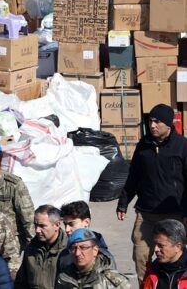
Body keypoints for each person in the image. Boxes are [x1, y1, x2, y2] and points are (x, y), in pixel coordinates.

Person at [117, 103, 187, 282]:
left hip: (175, 215)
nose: (152, 125)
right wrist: (123, 203)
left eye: (157, 122)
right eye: (150, 121)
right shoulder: (143, 146)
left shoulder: (182, 146)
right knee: (140, 257)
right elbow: (134, 176)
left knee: (175, 257)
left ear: (168, 124)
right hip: (146, 215)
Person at [54, 229, 130, 289]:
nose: (77, 253)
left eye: (83, 247)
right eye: (73, 248)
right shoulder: (63, 279)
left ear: (95, 250)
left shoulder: (112, 281)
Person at [15, 205, 68, 289]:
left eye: (42, 226)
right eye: (35, 225)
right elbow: (21, 281)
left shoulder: (68, 250)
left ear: (57, 225)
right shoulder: (31, 248)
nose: (37, 230)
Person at [58, 201, 117, 272]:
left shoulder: (104, 258)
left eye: (71, 224)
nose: (67, 229)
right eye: (65, 225)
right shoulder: (64, 255)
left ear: (86, 223)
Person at [143, 219, 187, 289]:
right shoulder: (152, 270)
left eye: (161, 246)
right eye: (155, 244)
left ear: (178, 247)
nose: (155, 249)